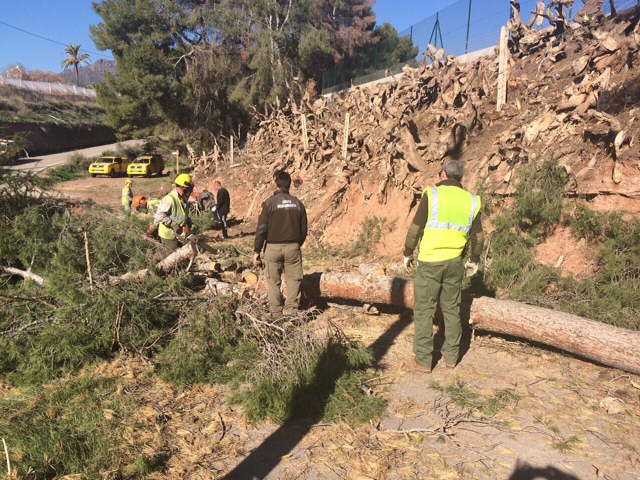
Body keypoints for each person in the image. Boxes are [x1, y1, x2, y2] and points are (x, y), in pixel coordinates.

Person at [403, 160, 484, 372]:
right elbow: (478, 237)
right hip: (455, 263)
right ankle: (451, 357)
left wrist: (407, 252)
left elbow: (415, 229)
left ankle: (423, 360)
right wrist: (474, 260)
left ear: (442, 174)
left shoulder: (432, 195)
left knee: (424, 311)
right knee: (451, 310)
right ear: (461, 178)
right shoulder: (472, 201)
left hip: (430, 263)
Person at [253, 171, 307, 318]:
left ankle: (276, 315)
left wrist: (257, 250)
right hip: (293, 248)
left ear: (276, 185)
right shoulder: (298, 204)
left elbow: (261, 229)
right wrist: (295, 245)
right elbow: (304, 231)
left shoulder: (269, 203)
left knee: (273, 282)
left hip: (272, 248)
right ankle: (291, 313)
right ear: (289, 185)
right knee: (294, 280)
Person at [149, 173, 195, 251]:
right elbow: (159, 216)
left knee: (183, 254)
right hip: (169, 235)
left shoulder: (183, 199)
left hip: (180, 233)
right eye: (189, 189)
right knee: (173, 257)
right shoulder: (169, 199)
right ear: (184, 188)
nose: (189, 192)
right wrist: (173, 224)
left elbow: (183, 215)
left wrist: (190, 223)